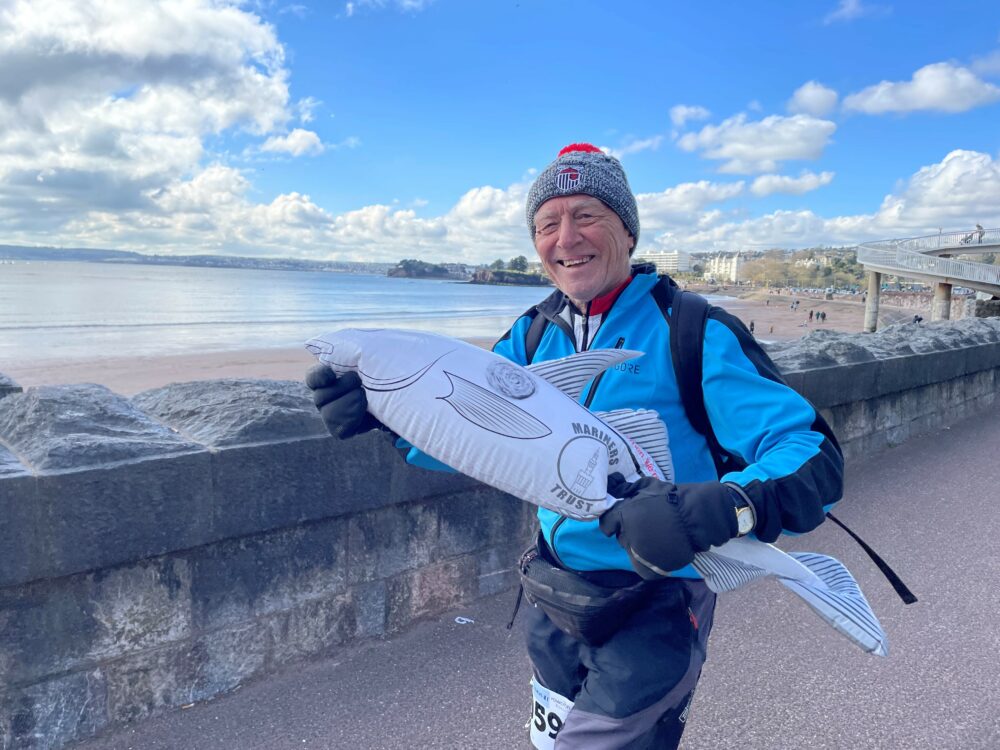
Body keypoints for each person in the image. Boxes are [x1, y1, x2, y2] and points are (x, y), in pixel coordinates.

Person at [306, 143, 844, 749]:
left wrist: (722, 505)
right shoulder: (532, 334)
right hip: (555, 594)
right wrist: (384, 413)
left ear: (628, 231)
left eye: (587, 215)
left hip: (657, 602)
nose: (566, 238)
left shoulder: (691, 330)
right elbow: (470, 435)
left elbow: (811, 453)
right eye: (547, 223)